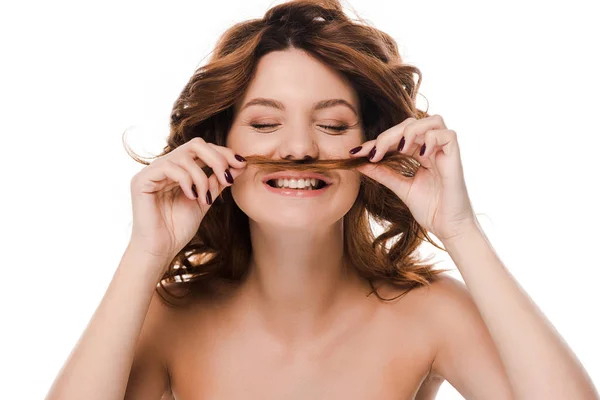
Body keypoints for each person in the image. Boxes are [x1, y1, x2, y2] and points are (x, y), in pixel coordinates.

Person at [46, 0, 599, 399]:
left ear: (373, 146)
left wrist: (459, 229)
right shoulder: (169, 317)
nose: (299, 149)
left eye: (332, 124)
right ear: (217, 146)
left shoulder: (431, 312)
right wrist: (145, 253)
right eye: (264, 122)